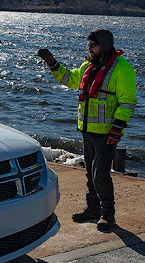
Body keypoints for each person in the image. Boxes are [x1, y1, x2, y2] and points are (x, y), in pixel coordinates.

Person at [38, 29, 137, 232]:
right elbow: (70, 79)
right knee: (90, 173)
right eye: (88, 45)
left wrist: (117, 128)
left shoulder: (122, 68)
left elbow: (127, 101)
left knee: (101, 173)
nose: (89, 49)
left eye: (93, 45)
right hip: (87, 129)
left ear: (104, 45)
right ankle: (93, 209)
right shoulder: (88, 66)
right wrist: (52, 63)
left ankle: (108, 215)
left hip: (107, 132)